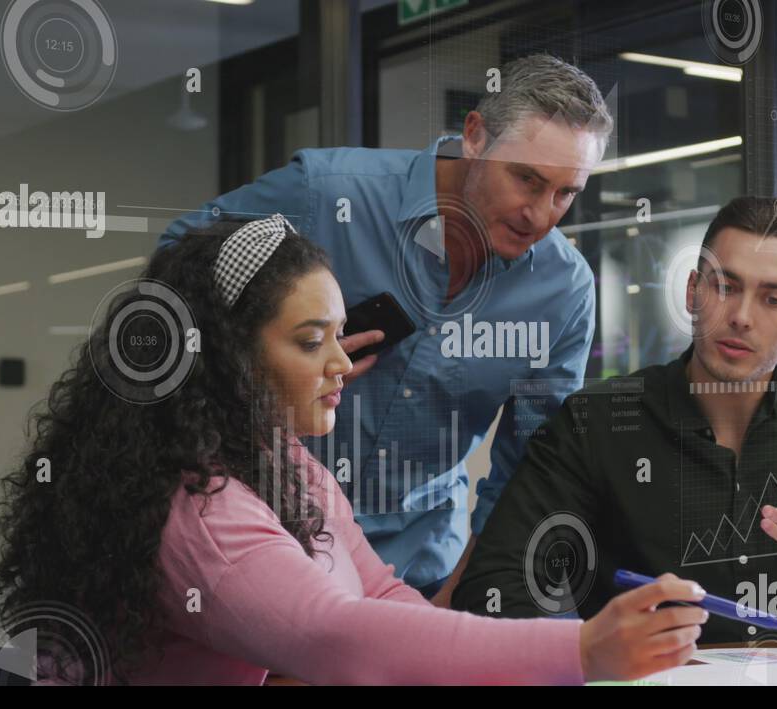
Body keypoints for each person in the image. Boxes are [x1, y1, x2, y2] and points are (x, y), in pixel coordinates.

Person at [0, 215, 707, 684]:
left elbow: (381, 591)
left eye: (338, 333)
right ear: (227, 357)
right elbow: (338, 638)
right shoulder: (201, 509)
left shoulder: (276, 456)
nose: (341, 363)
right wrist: (577, 651)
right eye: (310, 340)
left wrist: (523, 652)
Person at [160, 53, 610, 605]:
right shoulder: (325, 194)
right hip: (268, 549)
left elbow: (529, 469)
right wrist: (282, 348)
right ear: (475, 136)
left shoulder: (563, 292)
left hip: (422, 573)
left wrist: (458, 596)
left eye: (565, 193)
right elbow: (175, 274)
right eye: (526, 179)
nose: (540, 214)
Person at [452, 196, 777, 640]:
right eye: (725, 286)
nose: (742, 316)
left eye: (772, 298)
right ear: (692, 291)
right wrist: (590, 645)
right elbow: (494, 584)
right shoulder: (600, 422)